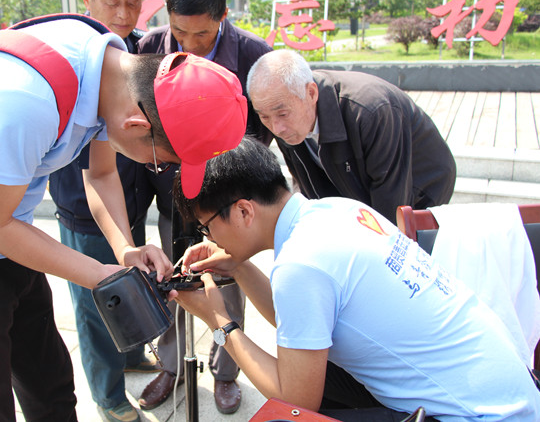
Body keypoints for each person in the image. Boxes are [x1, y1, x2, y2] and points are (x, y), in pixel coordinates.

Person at [0, 11, 249, 422]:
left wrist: (125, 251)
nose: (157, 169)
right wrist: (102, 275)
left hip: (9, 228)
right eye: (160, 162)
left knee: (52, 388)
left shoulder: (113, 74)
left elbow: (102, 173)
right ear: (136, 123)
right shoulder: (26, 100)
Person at [171, 136, 540, 421]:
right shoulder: (338, 209)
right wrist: (238, 266)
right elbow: (299, 327)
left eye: (206, 227)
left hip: (477, 414)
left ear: (243, 211)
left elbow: (296, 401)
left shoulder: (301, 264)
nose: (210, 240)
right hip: (512, 393)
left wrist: (217, 321)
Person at [136, 0, 272, 414]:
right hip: (173, 186)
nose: (189, 47)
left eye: (202, 36)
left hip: (225, 195)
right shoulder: (150, 49)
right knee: (176, 279)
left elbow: (260, 137)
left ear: (223, 16)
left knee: (226, 282)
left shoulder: (254, 57)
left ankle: (226, 368)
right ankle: (172, 365)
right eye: (180, 33)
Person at [47, 0, 159, 421]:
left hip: (125, 196)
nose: (122, 15)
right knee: (97, 305)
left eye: (132, 4)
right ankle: (109, 396)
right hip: (81, 204)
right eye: (112, 2)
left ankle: (131, 356)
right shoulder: (66, 58)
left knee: (129, 285)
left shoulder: (130, 50)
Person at [246, 49, 457, 224]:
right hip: (352, 180)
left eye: (282, 114)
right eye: (264, 117)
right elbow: (306, 188)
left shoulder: (371, 111)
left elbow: (390, 205)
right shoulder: (288, 115)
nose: (277, 128)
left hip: (421, 182)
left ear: (311, 93)